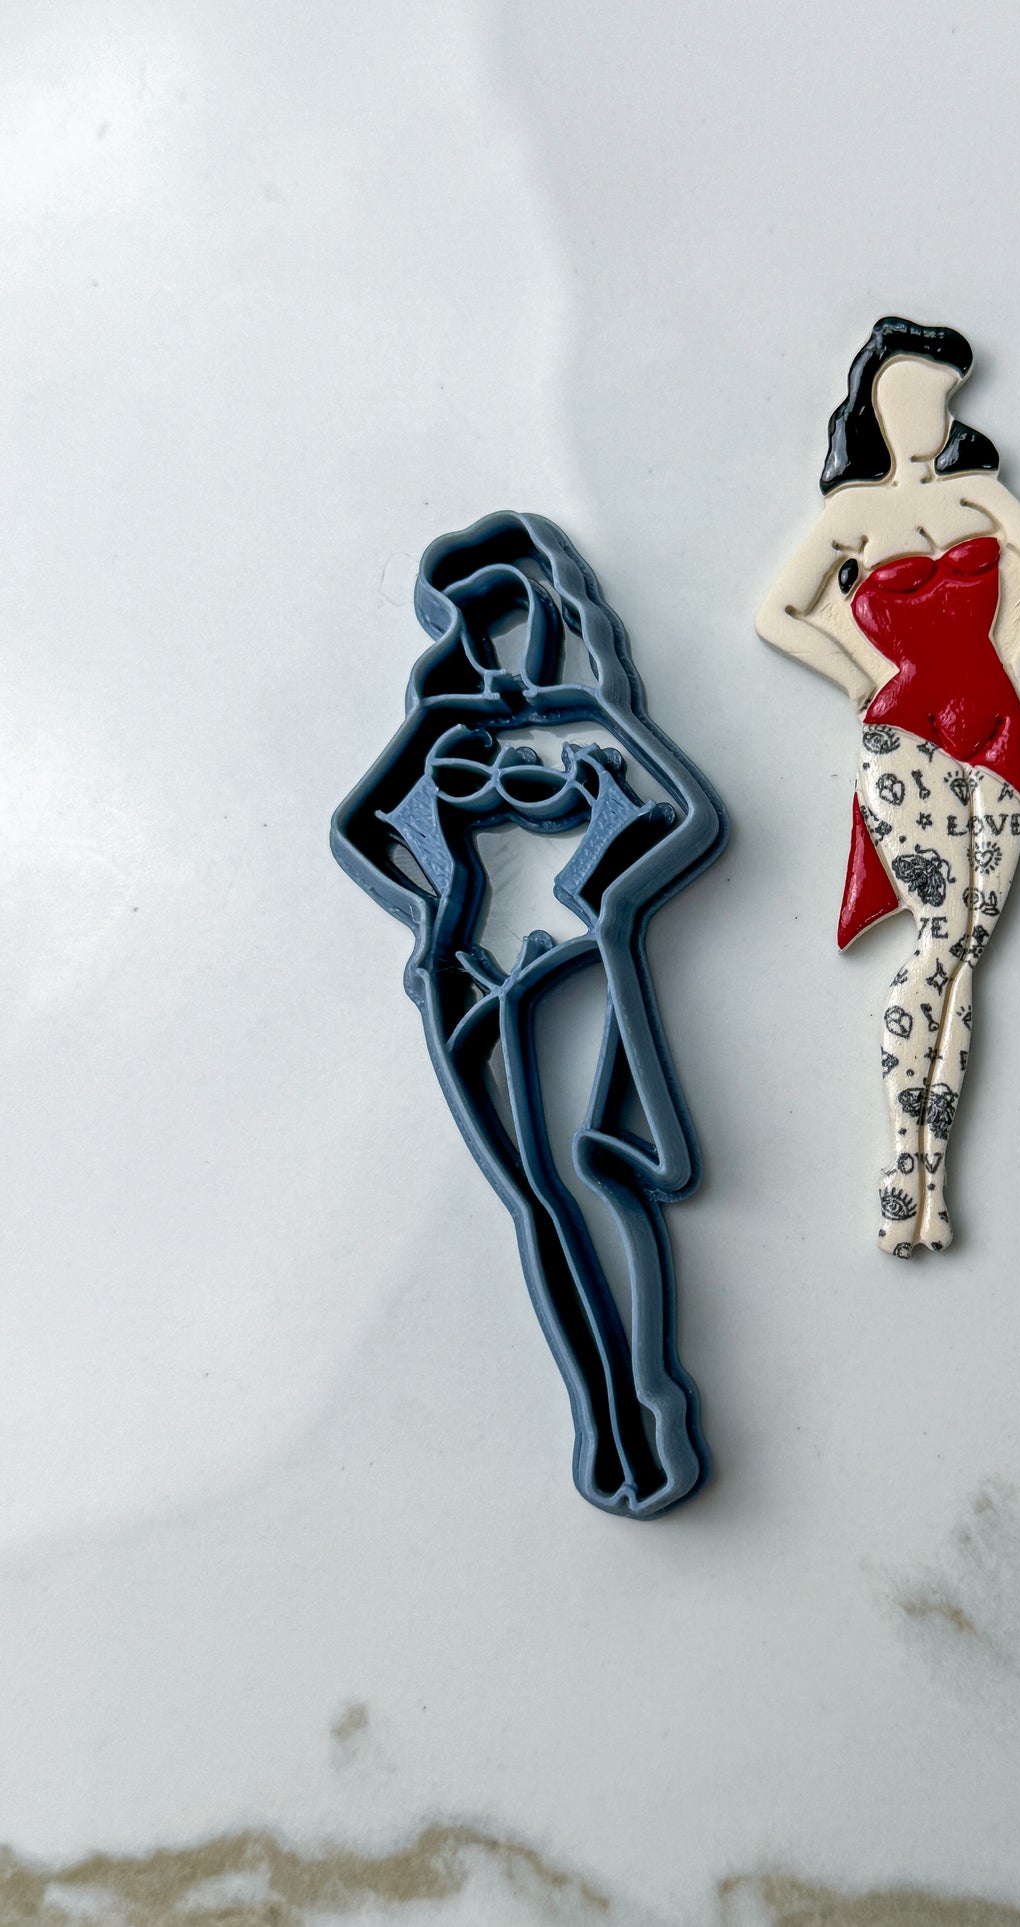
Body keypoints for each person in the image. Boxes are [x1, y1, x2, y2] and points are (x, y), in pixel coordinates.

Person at [333, 512, 726, 1514]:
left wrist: (591, 859)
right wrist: (434, 912)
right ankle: (608, 1423)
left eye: (511, 609)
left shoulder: (587, 711)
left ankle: (646, 1409)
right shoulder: (436, 729)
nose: (498, 637)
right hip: (466, 980)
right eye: (472, 617)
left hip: (568, 969)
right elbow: (360, 830)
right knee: (533, 1201)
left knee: (590, 1177)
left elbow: (680, 813)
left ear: (553, 610)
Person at [756, 318, 1020, 1256]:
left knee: (969, 946)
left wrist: (1014, 659)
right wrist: (856, 676)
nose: (924, 415)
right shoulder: (851, 515)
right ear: (869, 405)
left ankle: (931, 1183)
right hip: (904, 738)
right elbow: (778, 612)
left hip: (997, 730)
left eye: (939, 398)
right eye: (906, 395)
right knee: (941, 935)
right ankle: (898, 1172)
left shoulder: (979, 495)